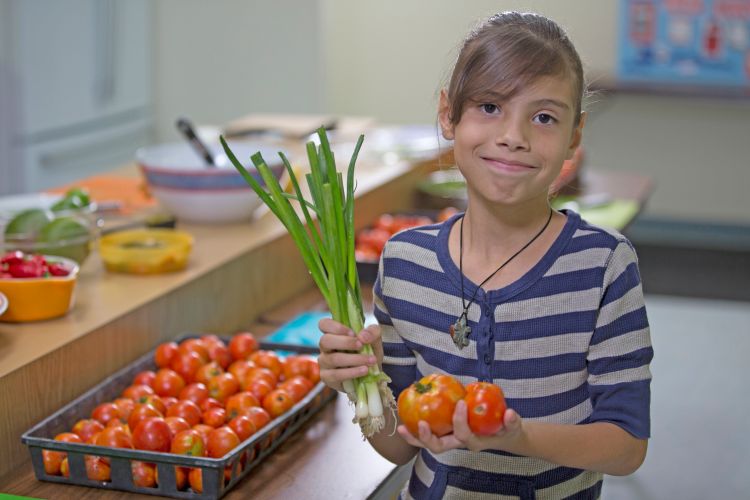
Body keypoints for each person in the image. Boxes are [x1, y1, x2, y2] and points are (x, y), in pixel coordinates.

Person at [318, 11, 653, 499]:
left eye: (543, 117)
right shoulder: (405, 262)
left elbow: (626, 447)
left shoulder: (603, 265)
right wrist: (358, 384)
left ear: (573, 136)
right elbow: (401, 448)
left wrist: (518, 437)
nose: (513, 136)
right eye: (490, 106)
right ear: (447, 115)